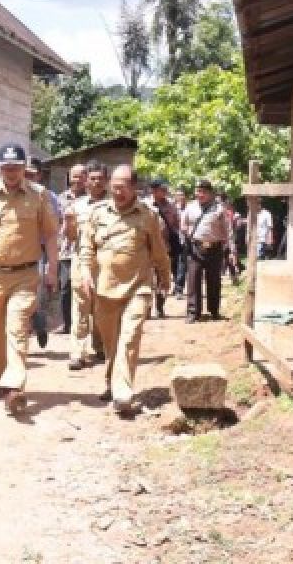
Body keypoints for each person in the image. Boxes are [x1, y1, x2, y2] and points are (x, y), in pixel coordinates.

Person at [0, 144, 59, 415]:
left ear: (24, 168)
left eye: (16, 168)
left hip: (26, 274)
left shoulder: (39, 196)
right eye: (6, 168)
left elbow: (51, 234)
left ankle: (14, 385)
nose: (11, 173)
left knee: (17, 327)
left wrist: (52, 268)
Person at [78, 165, 172, 416]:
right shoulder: (97, 213)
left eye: (123, 187)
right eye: (114, 187)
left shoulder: (147, 215)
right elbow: (87, 248)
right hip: (104, 290)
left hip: (137, 289)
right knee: (111, 343)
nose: (117, 192)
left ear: (134, 188)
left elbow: (158, 250)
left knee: (129, 338)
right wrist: (86, 272)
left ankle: (122, 392)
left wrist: (165, 276)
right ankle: (111, 382)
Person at [63, 160, 110, 371]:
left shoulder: (114, 205)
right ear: (86, 181)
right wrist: (70, 224)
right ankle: (77, 352)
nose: (96, 183)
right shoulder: (76, 206)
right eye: (92, 179)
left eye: (100, 179)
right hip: (81, 262)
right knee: (80, 306)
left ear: (106, 181)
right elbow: (71, 238)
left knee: (102, 306)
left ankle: (100, 346)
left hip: (107, 264)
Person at [181, 179, 231, 322]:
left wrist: (228, 248)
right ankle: (193, 313)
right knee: (193, 280)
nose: (199, 194)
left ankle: (214, 311)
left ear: (210, 193)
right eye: (198, 191)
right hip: (195, 248)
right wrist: (187, 233)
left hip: (214, 249)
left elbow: (226, 230)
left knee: (214, 281)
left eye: (203, 192)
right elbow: (183, 224)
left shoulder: (219, 209)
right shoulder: (190, 207)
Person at [24, 158, 59, 349]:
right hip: (16, 254)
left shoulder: (48, 197)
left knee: (35, 295)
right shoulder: (12, 194)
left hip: (39, 252)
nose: (28, 178)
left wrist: (51, 263)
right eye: (25, 174)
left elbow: (53, 231)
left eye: (32, 174)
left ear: (40, 175)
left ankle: (38, 321)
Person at [143, 177, 180, 319]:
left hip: (164, 248)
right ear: (153, 190)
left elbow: (176, 224)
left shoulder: (171, 206)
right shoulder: (144, 205)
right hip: (146, 249)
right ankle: (146, 309)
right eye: (161, 189)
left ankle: (160, 307)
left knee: (163, 279)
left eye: (166, 189)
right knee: (146, 280)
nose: (165, 191)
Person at [57, 164, 87, 333]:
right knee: (65, 287)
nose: (78, 180)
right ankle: (67, 323)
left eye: (82, 176)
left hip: (85, 249)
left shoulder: (90, 199)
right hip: (65, 250)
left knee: (84, 287)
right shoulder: (61, 199)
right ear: (70, 178)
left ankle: (83, 323)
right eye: (75, 176)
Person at [172, 186, 190, 297]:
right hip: (173, 239)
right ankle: (176, 283)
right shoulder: (172, 208)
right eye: (178, 195)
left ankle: (179, 288)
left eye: (182, 195)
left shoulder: (189, 208)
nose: (180, 197)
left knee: (182, 264)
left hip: (184, 240)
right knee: (173, 264)